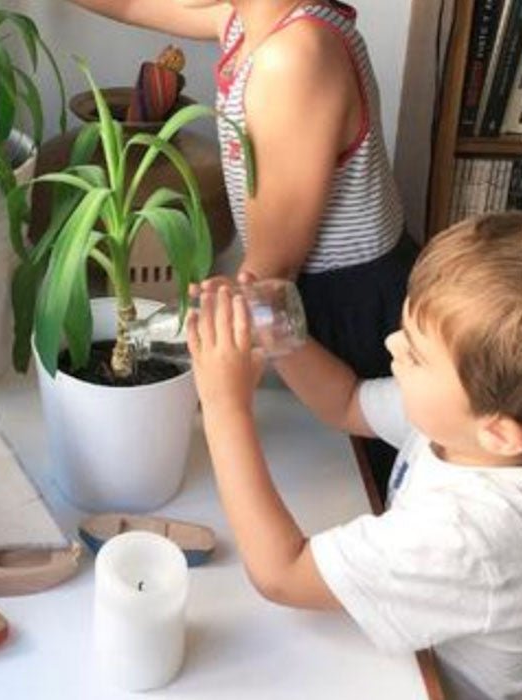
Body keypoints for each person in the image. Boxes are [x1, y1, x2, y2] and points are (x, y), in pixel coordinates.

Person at [61, 0, 416, 498]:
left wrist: (212, 395)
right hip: (302, 294)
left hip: (344, 312)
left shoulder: (293, 56)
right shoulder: (245, 19)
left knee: (349, 491)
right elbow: (130, 4)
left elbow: (275, 266)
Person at [186, 211, 522, 700]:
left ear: (499, 434)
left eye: (416, 354)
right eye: (405, 329)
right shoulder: (463, 427)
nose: (391, 345)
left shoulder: (470, 533)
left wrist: (223, 405)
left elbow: (282, 575)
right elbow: (345, 401)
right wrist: (270, 326)